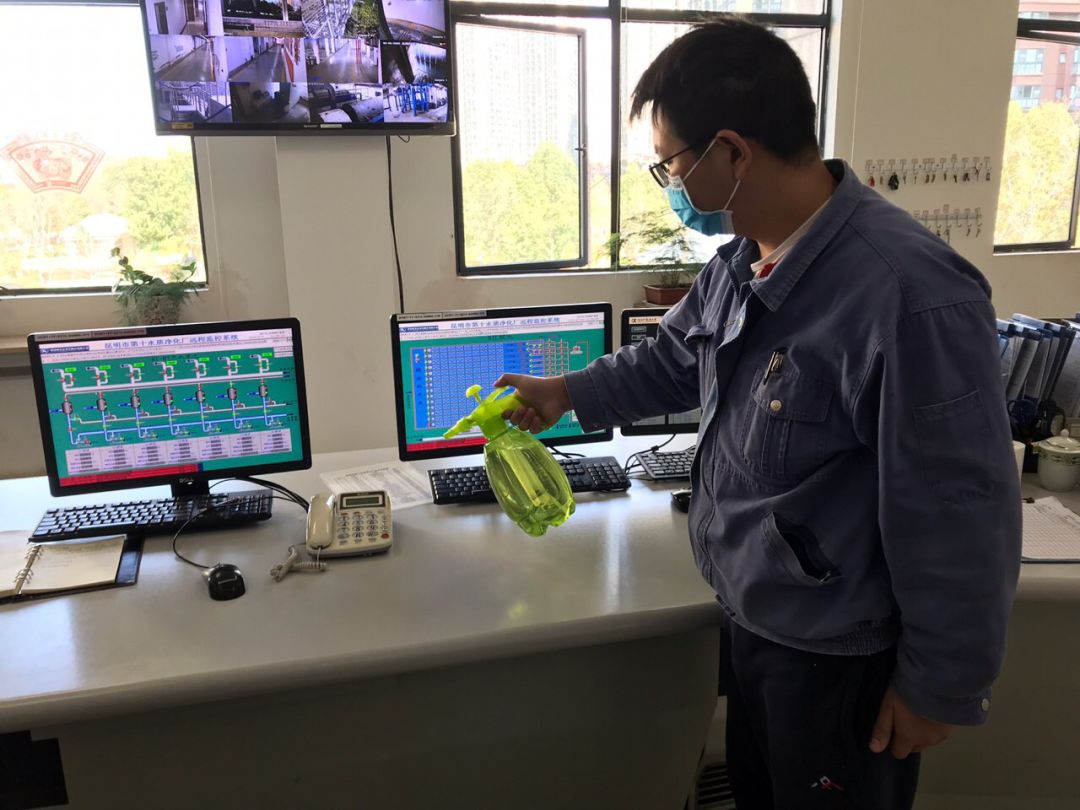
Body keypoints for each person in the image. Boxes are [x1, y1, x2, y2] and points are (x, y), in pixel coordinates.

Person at [495, 16, 1021, 810]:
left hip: (841, 660)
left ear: (733, 154)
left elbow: (962, 509)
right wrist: (565, 392)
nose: (670, 185)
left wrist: (940, 685)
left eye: (670, 164)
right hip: (756, 623)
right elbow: (671, 362)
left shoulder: (908, 295)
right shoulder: (741, 262)